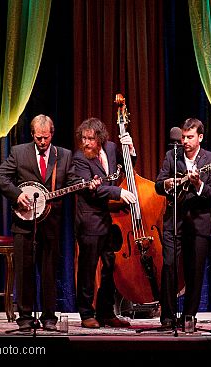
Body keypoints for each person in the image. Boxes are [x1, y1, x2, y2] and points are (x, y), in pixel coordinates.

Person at [0, 114, 91, 331]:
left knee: (48, 272)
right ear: (32, 135)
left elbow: (72, 181)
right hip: (23, 223)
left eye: (46, 138)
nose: (43, 143)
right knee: (24, 271)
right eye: (38, 139)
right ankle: (25, 317)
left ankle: (49, 317)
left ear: (52, 134)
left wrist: (84, 184)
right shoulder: (19, 153)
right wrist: (17, 194)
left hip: (51, 224)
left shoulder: (63, 155)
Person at [155, 118, 211, 328]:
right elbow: (158, 185)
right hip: (173, 221)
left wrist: (198, 184)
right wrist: (167, 183)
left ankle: (188, 316)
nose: (185, 141)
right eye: (183, 136)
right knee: (169, 266)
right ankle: (167, 316)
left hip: (199, 223)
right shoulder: (172, 156)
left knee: (195, 271)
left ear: (200, 137)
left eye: (190, 137)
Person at [71, 117, 137, 328]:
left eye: (90, 139)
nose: (86, 143)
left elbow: (127, 166)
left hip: (111, 220)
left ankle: (106, 312)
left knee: (111, 266)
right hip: (89, 220)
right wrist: (118, 191)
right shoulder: (80, 158)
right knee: (88, 269)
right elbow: (93, 191)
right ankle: (86, 314)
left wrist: (130, 149)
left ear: (100, 139)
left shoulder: (110, 148)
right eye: (83, 138)